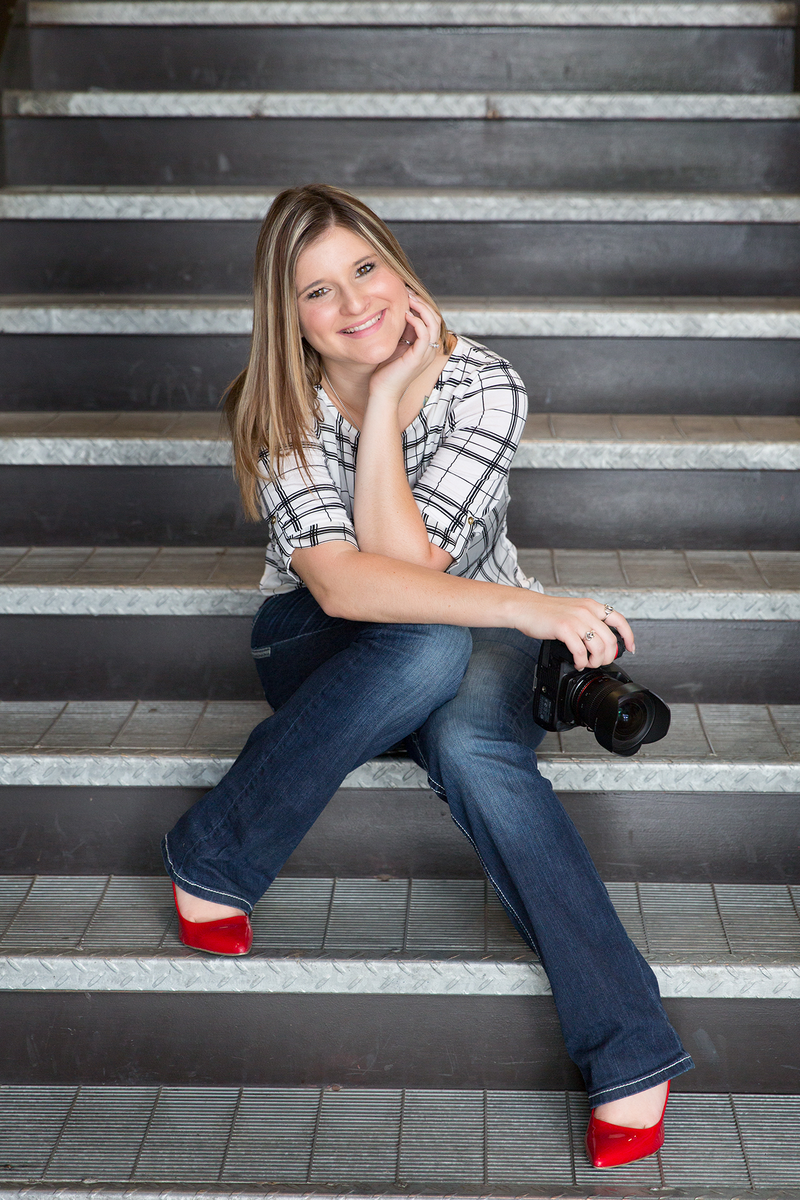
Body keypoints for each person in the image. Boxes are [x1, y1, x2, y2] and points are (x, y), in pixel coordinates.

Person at [161, 183, 693, 1169]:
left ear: (397, 266)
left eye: (364, 268)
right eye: (316, 293)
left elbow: (419, 576)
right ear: (289, 321)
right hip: (317, 636)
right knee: (425, 649)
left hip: (463, 628)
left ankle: (627, 1050)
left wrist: (392, 405)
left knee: (466, 733)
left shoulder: (482, 382)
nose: (354, 303)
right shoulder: (272, 404)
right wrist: (533, 610)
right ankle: (218, 846)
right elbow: (355, 588)